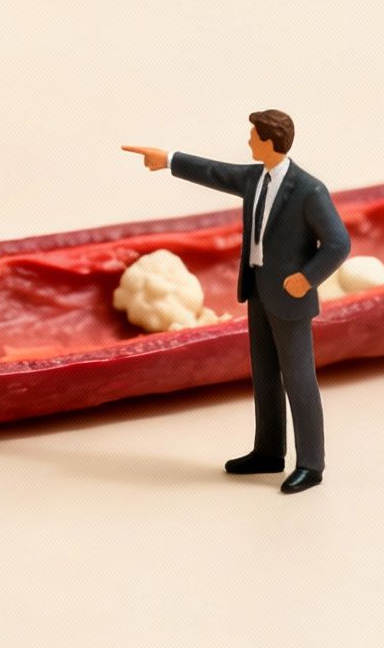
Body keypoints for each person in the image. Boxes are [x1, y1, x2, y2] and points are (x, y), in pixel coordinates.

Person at [121, 110, 349, 494]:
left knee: (299, 380)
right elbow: (214, 172)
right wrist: (169, 160)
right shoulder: (254, 178)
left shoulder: (309, 190)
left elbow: (338, 243)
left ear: (269, 141)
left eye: (253, 137)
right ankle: (269, 451)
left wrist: (307, 279)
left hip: (290, 298)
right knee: (264, 376)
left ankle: (311, 463)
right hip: (258, 289)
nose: (247, 142)